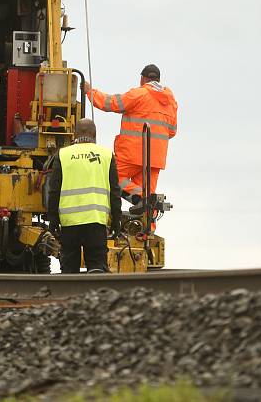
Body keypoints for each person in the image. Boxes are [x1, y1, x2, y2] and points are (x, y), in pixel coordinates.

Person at [84, 64, 178, 214]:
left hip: (132, 154)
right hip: (155, 159)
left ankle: (143, 198)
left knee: (111, 177)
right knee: (148, 198)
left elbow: (111, 103)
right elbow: (172, 132)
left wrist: (90, 91)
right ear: (158, 79)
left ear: (142, 79)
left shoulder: (139, 94)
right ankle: (146, 232)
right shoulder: (171, 102)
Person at [46, 119, 122, 273]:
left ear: (75, 134)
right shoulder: (106, 155)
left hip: (69, 224)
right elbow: (115, 191)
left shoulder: (63, 154)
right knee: (97, 268)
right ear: (94, 134)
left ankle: (71, 295)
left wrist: (53, 219)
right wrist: (116, 220)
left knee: (69, 270)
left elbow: (54, 190)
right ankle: (95, 295)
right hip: (96, 223)